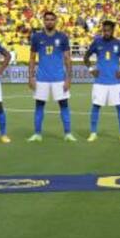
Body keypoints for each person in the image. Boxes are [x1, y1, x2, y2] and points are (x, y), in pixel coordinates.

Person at [28, 11, 76, 142]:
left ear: (56, 21)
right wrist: (31, 77)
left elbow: (67, 58)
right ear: (43, 21)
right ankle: (37, 134)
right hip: (41, 78)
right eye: (47, 19)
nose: (49, 21)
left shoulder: (62, 37)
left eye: (51, 19)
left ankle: (67, 133)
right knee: (39, 106)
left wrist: (68, 79)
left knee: (64, 105)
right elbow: (32, 58)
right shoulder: (37, 37)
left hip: (59, 78)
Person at [84, 20, 120, 142]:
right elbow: (86, 57)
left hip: (115, 82)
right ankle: (93, 133)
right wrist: (91, 69)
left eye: (108, 30)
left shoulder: (119, 43)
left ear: (112, 31)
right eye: (104, 30)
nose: (105, 32)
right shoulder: (97, 42)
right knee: (96, 106)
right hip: (100, 81)